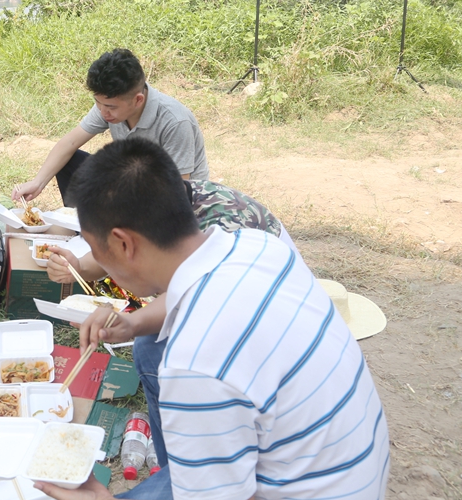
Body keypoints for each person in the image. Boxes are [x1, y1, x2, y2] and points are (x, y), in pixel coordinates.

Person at [35, 140, 390, 500]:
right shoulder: (257, 246)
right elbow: (184, 300)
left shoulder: (195, 361)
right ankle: (192, 479)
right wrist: (131, 324)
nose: (97, 263)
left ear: (124, 243)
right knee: (151, 343)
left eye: (95, 251)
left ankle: (190, 490)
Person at [44, 177, 298, 469]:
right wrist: (77, 267)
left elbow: (194, 291)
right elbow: (113, 255)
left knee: (155, 349)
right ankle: (173, 467)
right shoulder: (163, 204)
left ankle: (179, 472)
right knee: (151, 344)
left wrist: (132, 323)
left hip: (271, 360)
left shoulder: (220, 230)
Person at [12, 48, 208, 206]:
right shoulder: (108, 107)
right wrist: (38, 183)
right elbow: (70, 142)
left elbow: (178, 189)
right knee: (70, 161)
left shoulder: (174, 121)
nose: (103, 112)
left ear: (138, 100)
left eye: (110, 107)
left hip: (177, 199)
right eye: (98, 103)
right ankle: (79, 225)